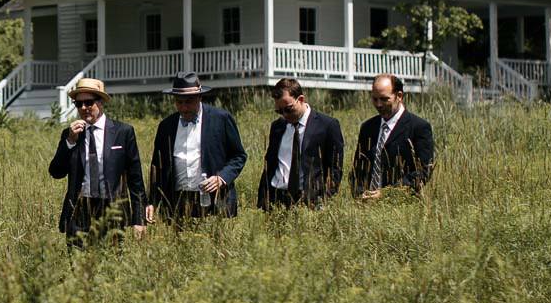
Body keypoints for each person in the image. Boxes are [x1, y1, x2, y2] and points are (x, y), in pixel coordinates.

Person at [48, 77, 146, 243]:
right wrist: (70, 142)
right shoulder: (71, 134)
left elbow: (135, 178)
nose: (84, 108)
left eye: (89, 102)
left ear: (101, 102)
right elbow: (56, 172)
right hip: (79, 209)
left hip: (112, 209)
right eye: (79, 104)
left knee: (111, 263)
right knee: (78, 265)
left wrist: (139, 218)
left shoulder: (123, 132)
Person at [147, 72, 247, 224]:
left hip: (215, 201)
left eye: (189, 102)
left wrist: (222, 178)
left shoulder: (221, 119)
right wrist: (152, 201)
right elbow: (157, 167)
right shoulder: (166, 126)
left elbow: (239, 156)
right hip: (177, 202)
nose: (184, 107)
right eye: (179, 102)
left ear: (200, 97)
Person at [258, 77, 345, 209]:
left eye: (288, 109)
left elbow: (335, 168)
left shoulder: (327, 125)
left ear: (301, 99)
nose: (285, 115)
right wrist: (263, 200)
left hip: (310, 202)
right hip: (276, 200)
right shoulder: (277, 127)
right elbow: (269, 163)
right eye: (279, 111)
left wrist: (324, 200)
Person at [351, 73, 435, 199]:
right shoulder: (367, 128)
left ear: (399, 96)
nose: (379, 104)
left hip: (402, 207)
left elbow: (423, 171)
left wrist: (387, 194)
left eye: (384, 99)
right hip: (366, 208)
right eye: (375, 99)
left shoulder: (418, 128)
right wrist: (359, 194)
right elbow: (358, 168)